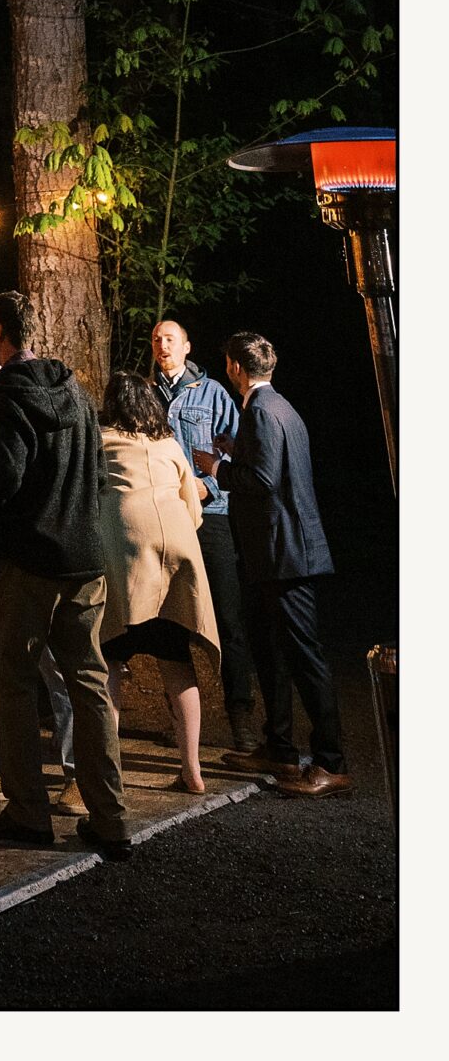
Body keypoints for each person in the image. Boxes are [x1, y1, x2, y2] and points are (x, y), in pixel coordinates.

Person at [0, 290, 131, 859]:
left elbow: (3, 478)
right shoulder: (74, 389)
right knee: (90, 682)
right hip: (83, 554)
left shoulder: (2, 394)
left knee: (13, 680)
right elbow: (95, 469)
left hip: (28, 559)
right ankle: (112, 818)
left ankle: (28, 811)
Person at [199, 331, 348, 797]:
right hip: (275, 552)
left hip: (284, 552)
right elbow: (275, 465)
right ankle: (278, 746)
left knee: (304, 656)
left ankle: (332, 762)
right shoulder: (280, 406)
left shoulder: (260, 410)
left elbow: (263, 481)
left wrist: (215, 467)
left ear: (235, 368)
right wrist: (235, 447)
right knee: (269, 649)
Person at [98, 370, 220, 793]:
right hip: (176, 555)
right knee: (175, 658)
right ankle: (193, 769)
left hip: (128, 555)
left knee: (110, 657)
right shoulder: (168, 443)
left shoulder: (102, 441)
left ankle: (109, 770)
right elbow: (195, 509)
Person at [150, 315, 261, 751]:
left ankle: (242, 720)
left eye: (171, 339)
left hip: (211, 515)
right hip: (165, 517)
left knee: (228, 619)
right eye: (157, 339)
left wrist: (210, 483)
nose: (163, 345)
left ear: (187, 346)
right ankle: (181, 722)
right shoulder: (145, 395)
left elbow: (239, 451)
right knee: (168, 618)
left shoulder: (213, 394)